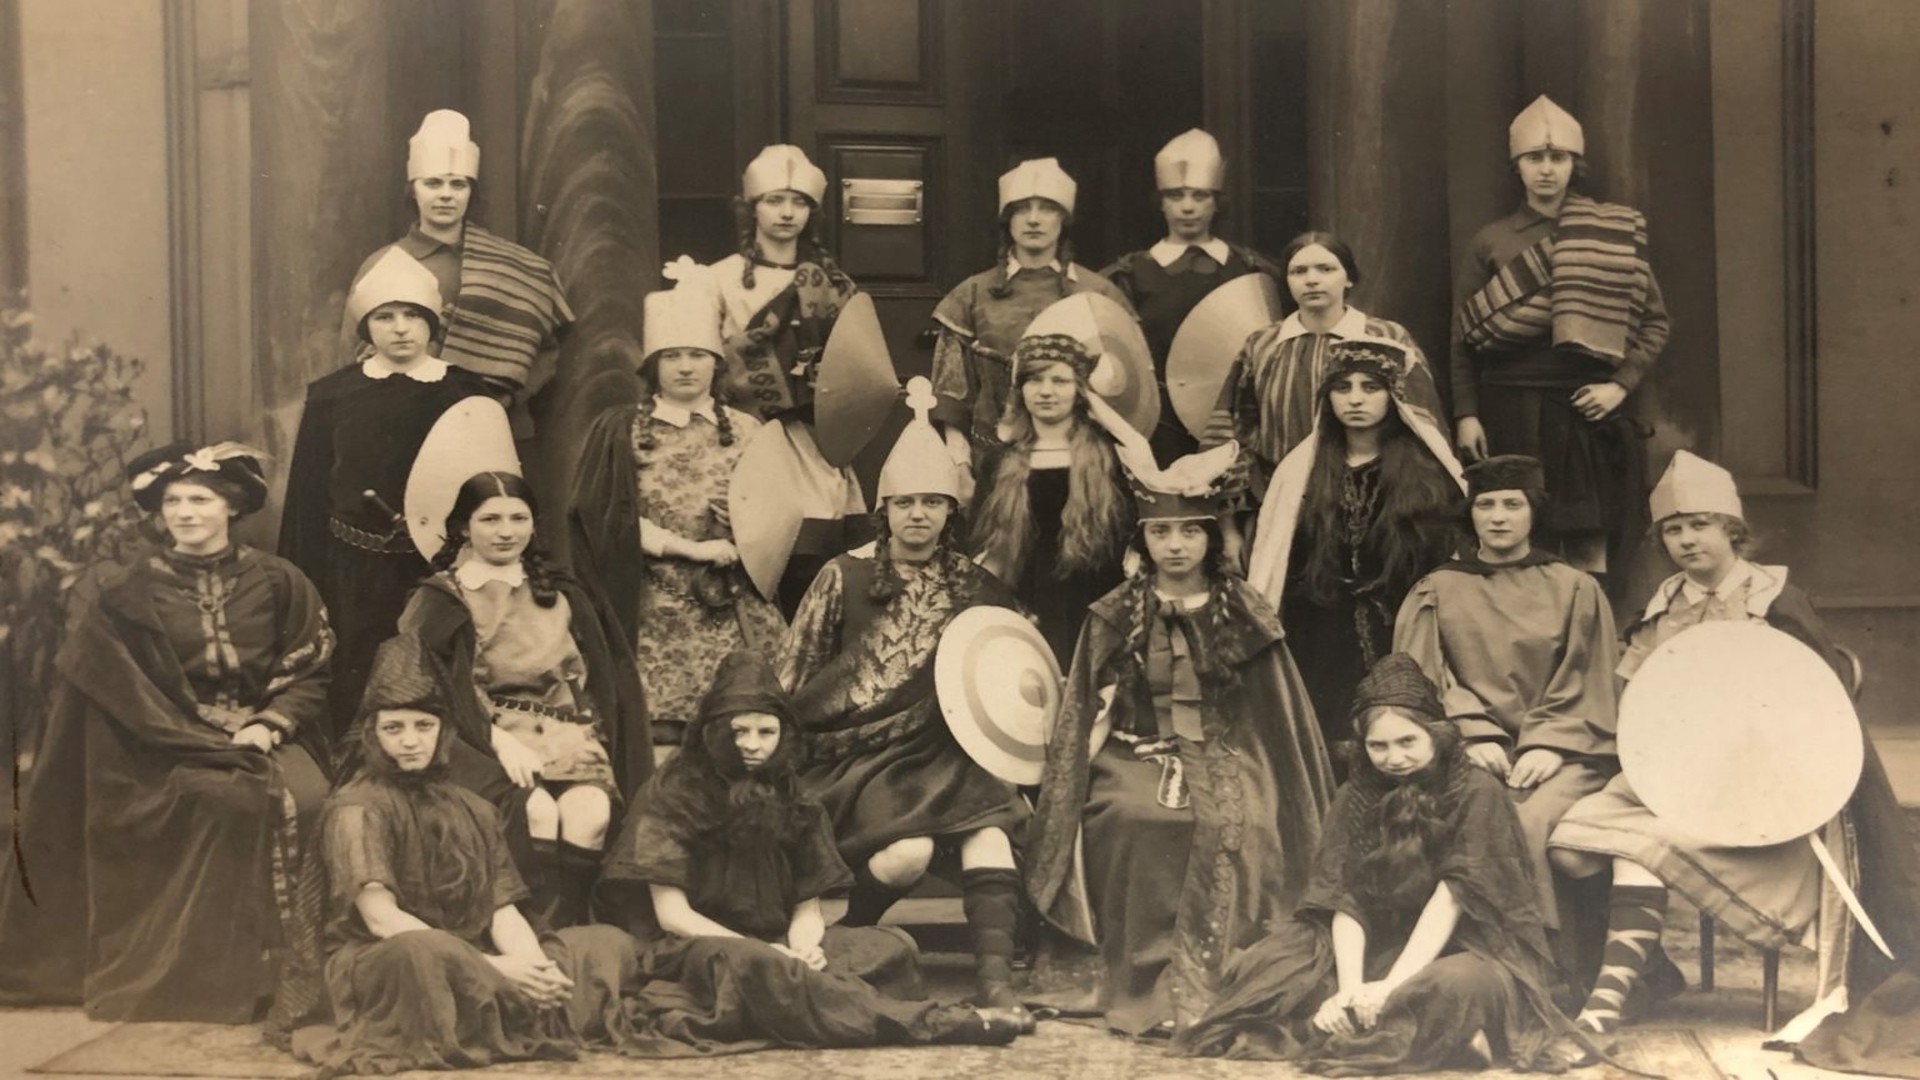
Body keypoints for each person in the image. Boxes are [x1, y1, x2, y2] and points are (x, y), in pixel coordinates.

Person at [1545, 451, 1920, 1066]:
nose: (1686, 539)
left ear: (1731, 529)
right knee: (1570, 846)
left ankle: (1600, 1012)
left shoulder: (1777, 600)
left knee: (1638, 852)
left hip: (1762, 791)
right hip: (1671, 776)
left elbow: (1816, 710)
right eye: (1672, 528)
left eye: (1700, 524)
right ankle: (1644, 973)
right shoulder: (1662, 606)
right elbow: (1636, 704)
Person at [0, 442, 332, 1021]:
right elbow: (118, 691)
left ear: (230, 507)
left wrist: (267, 723)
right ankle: (214, 976)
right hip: (154, 743)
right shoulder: (129, 591)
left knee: (312, 798)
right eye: (173, 501)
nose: (185, 512)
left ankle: (297, 973)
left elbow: (309, 669)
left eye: (199, 499)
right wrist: (193, 736)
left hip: (265, 733)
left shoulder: (280, 581)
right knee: (221, 799)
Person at [1024, 453, 1335, 1036]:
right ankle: (1141, 979)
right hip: (1133, 750)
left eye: (1190, 530)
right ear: (1143, 539)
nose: (1175, 545)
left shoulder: (1244, 610)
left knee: (1241, 820)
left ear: (1210, 538)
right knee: (1135, 816)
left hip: (1231, 750)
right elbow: (1085, 708)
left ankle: (1217, 975)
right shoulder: (1115, 613)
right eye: (1161, 532)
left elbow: (1277, 716)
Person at [1174, 654, 1594, 1073]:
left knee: (1451, 987)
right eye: (1379, 746)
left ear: (1437, 736)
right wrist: (1352, 988)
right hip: (1380, 938)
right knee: (1273, 968)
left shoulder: (1477, 792)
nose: (1394, 758)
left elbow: (1451, 900)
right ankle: (1422, 1033)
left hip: (1466, 942)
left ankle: (1420, 1027)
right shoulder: (1356, 795)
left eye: (1407, 742)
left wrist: (1391, 987)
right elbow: (1345, 898)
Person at [599, 651, 1029, 1054]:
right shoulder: (674, 793)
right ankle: (936, 1024)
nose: (752, 745)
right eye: (738, 732)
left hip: (775, 944)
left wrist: (805, 944)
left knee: (891, 948)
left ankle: (799, 998)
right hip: (700, 948)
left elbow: (808, 907)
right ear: (713, 732)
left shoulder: (794, 798)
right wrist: (766, 952)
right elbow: (673, 916)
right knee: (757, 968)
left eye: (766, 732)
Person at [778, 380, 1031, 1019]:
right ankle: (843, 945)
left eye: (933, 503)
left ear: (951, 513)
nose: (918, 515)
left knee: (990, 835)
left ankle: (995, 984)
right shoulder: (844, 575)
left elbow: (1005, 673)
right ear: (884, 509)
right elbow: (795, 676)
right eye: (905, 503)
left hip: (946, 747)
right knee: (905, 857)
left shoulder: (976, 586)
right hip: (854, 756)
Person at [293, 636, 638, 1078]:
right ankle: (489, 1002)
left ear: (443, 732)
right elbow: (382, 921)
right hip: (389, 961)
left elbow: (503, 909)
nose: (410, 742)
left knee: (604, 943)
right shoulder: (356, 807)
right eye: (393, 729)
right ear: (373, 736)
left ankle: (508, 1001)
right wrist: (498, 967)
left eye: (423, 726)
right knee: (421, 951)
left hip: (474, 955)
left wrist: (532, 968)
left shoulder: (471, 806)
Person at [1391, 453, 1620, 974]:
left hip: (1568, 753)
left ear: (1533, 512)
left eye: (1512, 505)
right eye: (1486, 505)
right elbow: (1423, 681)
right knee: (1476, 809)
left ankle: (1544, 964)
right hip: (1467, 751)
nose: (1498, 517)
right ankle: (1470, 962)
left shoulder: (1575, 588)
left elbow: (1594, 680)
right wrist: (1471, 735)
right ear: (1469, 514)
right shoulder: (1438, 590)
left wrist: (1549, 742)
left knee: (1530, 818)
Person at [391, 471, 650, 928]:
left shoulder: (564, 592)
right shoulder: (442, 597)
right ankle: (529, 928)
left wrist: (587, 734)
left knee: (588, 814)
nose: (506, 531)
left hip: (568, 732)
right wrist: (495, 738)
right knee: (537, 812)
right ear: (463, 526)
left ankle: (570, 930)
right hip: (478, 736)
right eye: (490, 519)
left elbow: (604, 681)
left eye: (519, 518)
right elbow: (425, 685)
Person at [281, 245, 507, 741]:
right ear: (367, 328)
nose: (401, 328)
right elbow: (307, 496)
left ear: (433, 323)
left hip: (436, 570)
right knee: (355, 684)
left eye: (412, 315)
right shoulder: (333, 394)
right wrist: (306, 580)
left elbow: (495, 492)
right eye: (386, 317)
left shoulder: (466, 393)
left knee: (437, 676)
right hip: (350, 572)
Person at [1450, 95, 1670, 582]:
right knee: (1516, 529)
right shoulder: (1491, 240)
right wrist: (1466, 414)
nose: (1546, 169)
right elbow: (1462, 336)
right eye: (1535, 158)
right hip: (1510, 406)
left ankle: (1584, 634)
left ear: (1575, 164)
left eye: (1558, 158)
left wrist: (1620, 385)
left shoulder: (1610, 232)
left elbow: (1655, 322)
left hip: (1586, 406)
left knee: (1586, 542)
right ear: (1517, 167)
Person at [570, 280, 784, 746]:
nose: (686, 367)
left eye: (697, 355)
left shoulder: (749, 430)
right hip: (651, 601)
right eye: (672, 356)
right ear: (651, 367)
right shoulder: (622, 430)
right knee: (658, 735)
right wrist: (690, 547)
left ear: (717, 363)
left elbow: (777, 514)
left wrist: (745, 528)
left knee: (739, 727)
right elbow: (606, 514)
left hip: (730, 599)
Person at [1243, 339, 1463, 761]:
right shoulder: (1301, 469)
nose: (1356, 399)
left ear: (1393, 394)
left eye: (1370, 387)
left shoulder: (1428, 470)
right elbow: (1279, 559)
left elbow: (1447, 564)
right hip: (1320, 626)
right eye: (1342, 388)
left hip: (1401, 623)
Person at [707, 144, 870, 614]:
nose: (786, 213)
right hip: (745, 430)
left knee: (815, 550)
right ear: (752, 208)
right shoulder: (719, 280)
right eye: (774, 200)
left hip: (815, 434)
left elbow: (855, 364)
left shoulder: (833, 284)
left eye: (798, 203)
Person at [342, 109, 572, 437]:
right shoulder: (382, 264)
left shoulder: (518, 266)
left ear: (470, 192)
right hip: (404, 427)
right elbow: (352, 352)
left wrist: (504, 396)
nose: (446, 194)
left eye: (458, 184)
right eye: (433, 183)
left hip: (497, 425)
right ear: (414, 190)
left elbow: (544, 351)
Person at [1203, 230, 1445, 503]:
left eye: (1326, 269)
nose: (1312, 280)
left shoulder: (1386, 337)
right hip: (1280, 498)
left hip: (1374, 497)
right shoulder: (1263, 345)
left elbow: (1424, 422)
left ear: (1349, 278)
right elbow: (1232, 430)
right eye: (1299, 271)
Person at [931, 157, 1132, 479]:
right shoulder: (972, 294)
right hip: (993, 456)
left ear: (1063, 219)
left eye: (1047, 208)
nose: (1034, 220)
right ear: (1007, 220)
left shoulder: (1099, 293)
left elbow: (1124, 386)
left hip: (1084, 461)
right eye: (1022, 209)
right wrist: (959, 463)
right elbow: (950, 391)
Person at [1103, 130, 1285, 466]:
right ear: (1160, 201)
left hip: (1238, 423)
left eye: (1200, 196)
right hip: (1159, 426)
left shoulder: (1250, 270)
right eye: (1175, 195)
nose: (1187, 207)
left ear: (1217, 202)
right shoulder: (1129, 275)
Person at [969, 332, 1136, 665]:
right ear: (1021, 390)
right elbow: (985, 546)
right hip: (1028, 599)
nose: (1046, 391)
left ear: (1079, 391)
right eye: (1034, 380)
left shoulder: (1110, 458)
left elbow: (1129, 536)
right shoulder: (1001, 461)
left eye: (1060, 380)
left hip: (1096, 597)